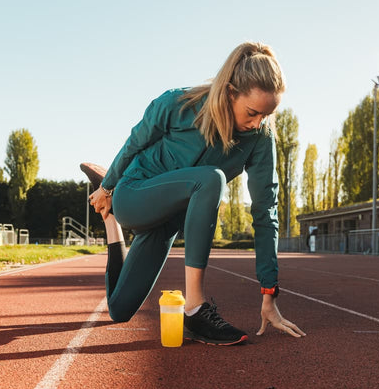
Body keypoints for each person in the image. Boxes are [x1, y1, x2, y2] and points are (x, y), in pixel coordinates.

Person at [81, 41, 305, 346]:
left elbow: (266, 212)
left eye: (265, 116)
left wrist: (269, 294)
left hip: (167, 222)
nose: (257, 123)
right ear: (230, 92)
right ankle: (195, 309)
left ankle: (111, 223)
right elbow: (135, 143)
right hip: (135, 194)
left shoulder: (260, 139)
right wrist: (108, 187)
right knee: (212, 179)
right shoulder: (179, 104)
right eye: (252, 113)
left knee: (119, 310)